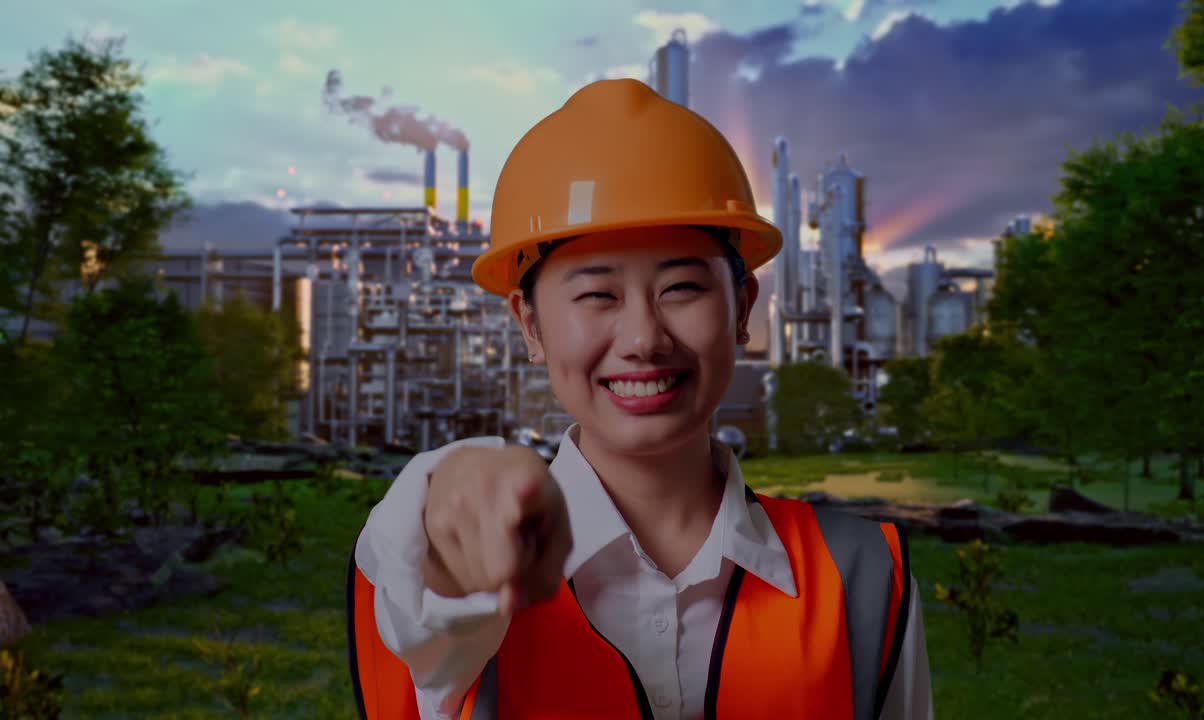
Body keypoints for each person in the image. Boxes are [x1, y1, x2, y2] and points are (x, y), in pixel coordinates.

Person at [348, 78, 933, 720]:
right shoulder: (460, 577)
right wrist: (450, 507)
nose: (643, 339)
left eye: (681, 288)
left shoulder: (861, 575)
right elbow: (414, 582)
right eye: (597, 295)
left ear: (743, 309)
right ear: (530, 325)